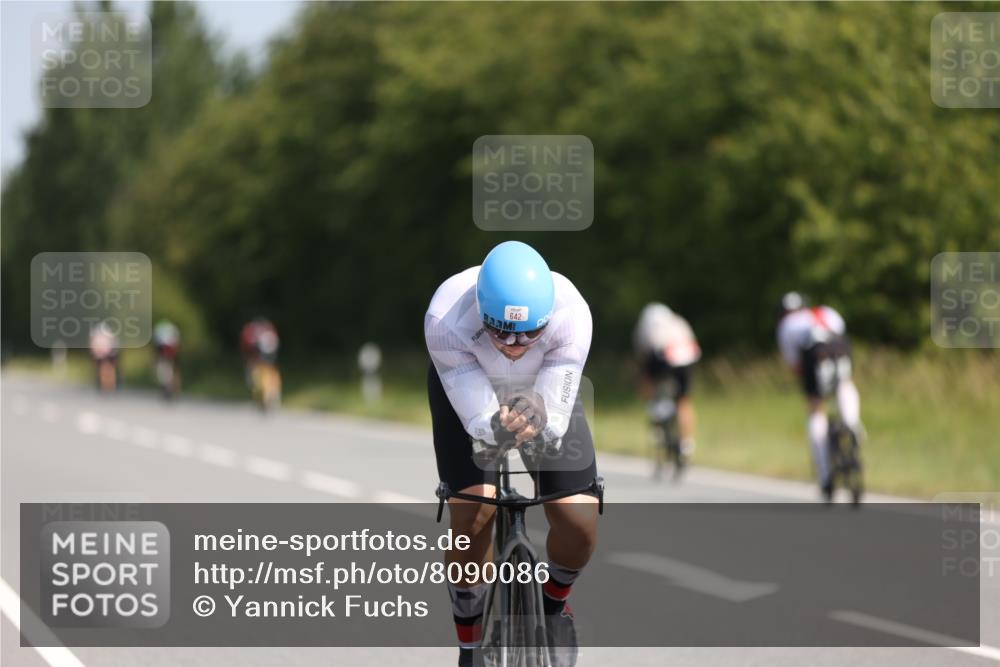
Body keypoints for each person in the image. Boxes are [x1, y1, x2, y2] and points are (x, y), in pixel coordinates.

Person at [425, 241, 598, 667]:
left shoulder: (572, 313)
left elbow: (554, 417)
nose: (515, 343)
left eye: (530, 332)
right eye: (499, 330)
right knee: (473, 513)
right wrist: (496, 426)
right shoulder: (446, 315)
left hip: (543, 390)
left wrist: (541, 413)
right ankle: (469, 643)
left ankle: (555, 603)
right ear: (480, 310)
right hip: (467, 392)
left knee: (577, 516)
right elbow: (478, 419)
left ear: (549, 317)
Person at [775, 292, 863, 501]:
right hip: (839, 346)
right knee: (845, 384)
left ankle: (824, 474)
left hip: (814, 353)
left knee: (816, 408)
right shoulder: (827, 311)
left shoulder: (786, 325)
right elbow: (841, 334)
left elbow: (794, 364)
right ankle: (852, 424)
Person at [632, 302, 701, 464]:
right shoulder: (679, 321)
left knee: (647, 380)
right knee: (684, 400)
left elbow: (642, 353)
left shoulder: (645, 327)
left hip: (663, 354)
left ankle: (655, 409)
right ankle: (686, 444)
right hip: (688, 357)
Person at [239, 317, 279, 385]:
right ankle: (255, 380)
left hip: (265, 349)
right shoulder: (267, 328)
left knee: (265, 365)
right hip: (257, 349)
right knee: (255, 364)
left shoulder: (265, 329)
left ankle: (263, 381)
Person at [88, 321, 120, 392]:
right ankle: (107, 385)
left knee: (108, 369)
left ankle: (110, 385)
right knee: (106, 369)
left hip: (108, 354)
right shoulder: (106, 335)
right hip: (103, 354)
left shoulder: (102, 336)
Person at [152, 320, 181, 397]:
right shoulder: (171, 339)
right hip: (168, 357)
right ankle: (174, 389)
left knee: (169, 371)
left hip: (168, 357)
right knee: (171, 371)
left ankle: (173, 388)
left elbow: (157, 353)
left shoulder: (161, 340)